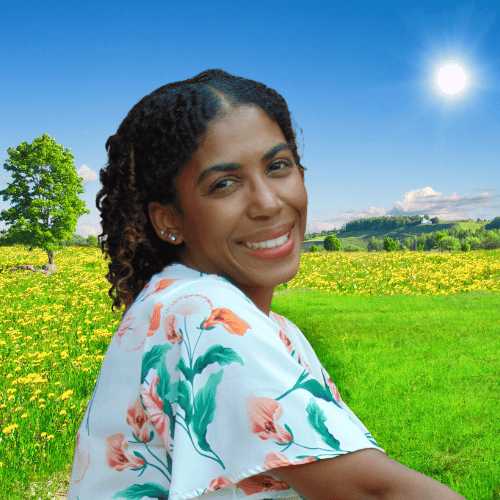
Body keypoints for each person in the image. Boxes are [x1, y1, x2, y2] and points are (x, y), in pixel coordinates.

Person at [67, 69, 465, 500]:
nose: (269, 203)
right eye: (224, 184)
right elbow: (377, 492)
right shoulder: (203, 315)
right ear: (169, 219)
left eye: (278, 166)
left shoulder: (211, 311)